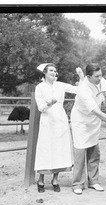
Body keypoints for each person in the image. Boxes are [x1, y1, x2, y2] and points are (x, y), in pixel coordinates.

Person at [70, 61, 106, 195]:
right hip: (81, 121)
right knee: (80, 153)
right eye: (96, 76)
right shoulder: (83, 89)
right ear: (88, 77)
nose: (100, 78)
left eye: (100, 75)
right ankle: (78, 183)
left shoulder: (102, 81)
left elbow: (105, 102)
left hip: (94, 121)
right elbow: (97, 111)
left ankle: (93, 181)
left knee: (94, 151)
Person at [34, 63, 80, 193]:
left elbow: (77, 90)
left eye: (55, 71)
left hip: (60, 119)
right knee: (46, 148)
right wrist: (49, 103)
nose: (54, 73)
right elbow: (40, 106)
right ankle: (41, 179)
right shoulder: (40, 87)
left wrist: (81, 78)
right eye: (51, 71)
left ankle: (55, 179)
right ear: (45, 73)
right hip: (47, 119)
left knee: (59, 148)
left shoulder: (61, 85)